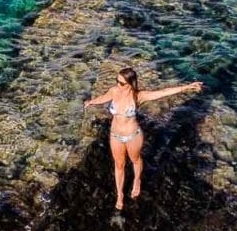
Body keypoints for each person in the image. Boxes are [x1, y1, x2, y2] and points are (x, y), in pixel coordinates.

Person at [84, 67, 204, 210]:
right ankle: (120, 194)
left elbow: (163, 93)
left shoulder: (139, 96)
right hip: (115, 136)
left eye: (121, 83)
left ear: (130, 83)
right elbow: (103, 98)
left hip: (133, 135)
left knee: (135, 160)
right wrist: (91, 102)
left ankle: (137, 180)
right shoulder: (114, 91)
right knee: (119, 165)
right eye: (117, 81)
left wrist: (187, 87)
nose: (118, 85)